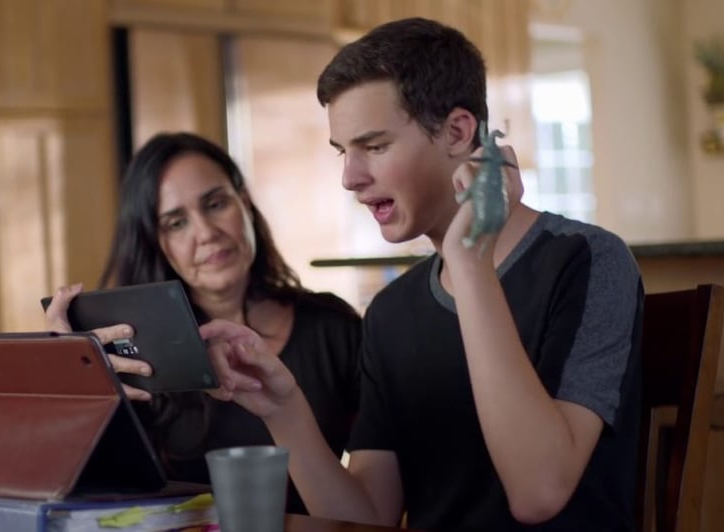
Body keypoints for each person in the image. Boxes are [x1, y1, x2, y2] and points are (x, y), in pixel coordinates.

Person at [199, 17, 643, 531]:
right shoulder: (392, 312)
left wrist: (470, 262)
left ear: (457, 131)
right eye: (344, 151)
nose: (351, 177)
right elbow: (368, 519)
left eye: (376, 146)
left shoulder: (588, 262)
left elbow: (538, 493)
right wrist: (284, 411)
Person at [44, 132, 361, 515]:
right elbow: (75, 499)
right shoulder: (126, 350)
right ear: (154, 242)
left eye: (215, 204)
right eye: (176, 223)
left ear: (244, 202)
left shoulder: (332, 326)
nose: (207, 233)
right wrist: (66, 386)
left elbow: (371, 502)